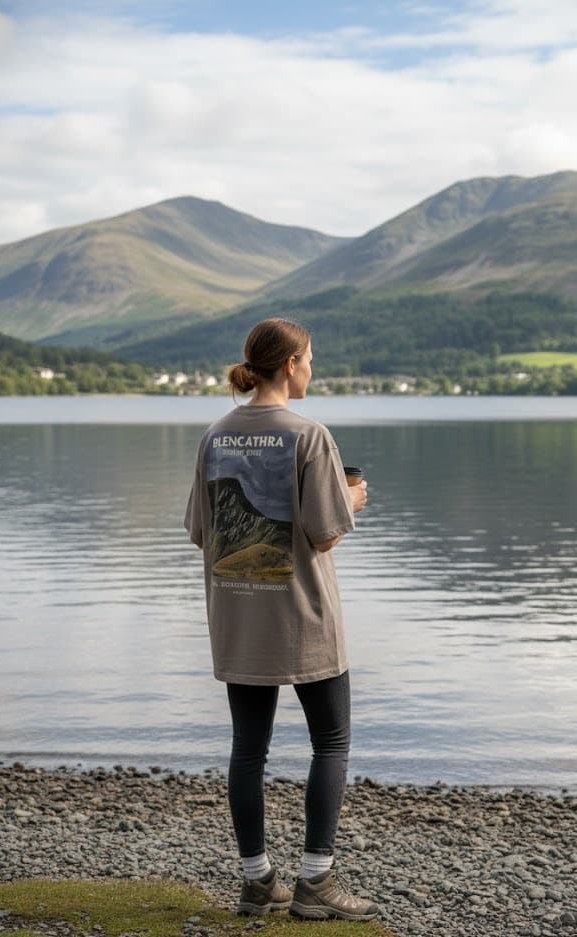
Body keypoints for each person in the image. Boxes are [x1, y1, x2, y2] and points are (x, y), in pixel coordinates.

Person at [184, 317, 378, 921]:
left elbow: (201, 534)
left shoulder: (215, 436)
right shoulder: (310, 436)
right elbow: (323, 536)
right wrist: (351, 500)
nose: (313, 370)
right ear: (290, 364)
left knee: (248, 751)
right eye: (311, 359)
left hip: (238, 617)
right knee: (332, 740)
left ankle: (257, 881)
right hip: (303, 618)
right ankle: (316, 881)